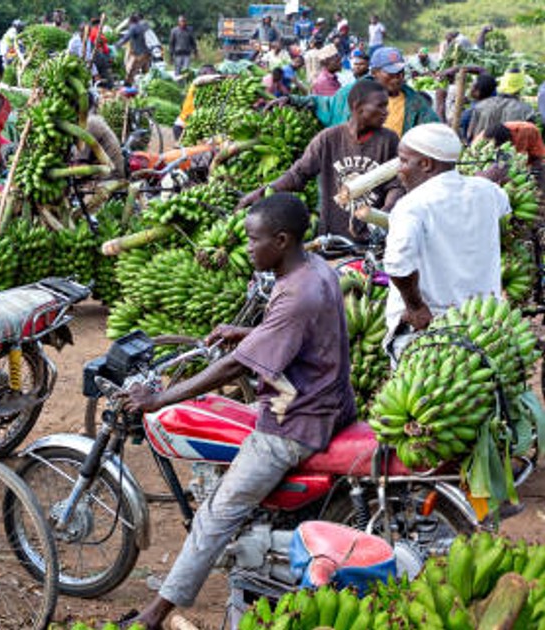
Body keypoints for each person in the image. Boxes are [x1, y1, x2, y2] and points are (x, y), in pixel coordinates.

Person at [117, 192, 357, 630]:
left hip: (295, 421)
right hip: (330, 403)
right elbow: (291, 333)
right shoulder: (315, 270)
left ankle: (155, 615)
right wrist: (246, 331)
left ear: (281, 240)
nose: (247, 248)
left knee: (217, 512)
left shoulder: (295, 294)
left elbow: (235, 365)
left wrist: (160, 399)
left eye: (254, 240)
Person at [381, 123, 507, 360]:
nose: (399, 169)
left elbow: (397, 264)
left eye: (404, 161)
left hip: (433, 328)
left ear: (426, 164)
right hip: (483, 322)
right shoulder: (486, 191)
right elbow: (502, 202)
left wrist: (415, 306)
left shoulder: (412, 206)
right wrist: (483, 180)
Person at [242, 80, 401, 239]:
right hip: (333, 236)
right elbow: (298, 174)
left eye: (386, 106)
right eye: (380, 106)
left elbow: (396, 185)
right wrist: (264, 191)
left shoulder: (389, 140)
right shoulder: (328, 139)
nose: (386, 112)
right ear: (357, 106)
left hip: (373, 237)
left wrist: (386, 211)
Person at [286, 47, 438, 137]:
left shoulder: (414, 102)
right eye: (391, 73)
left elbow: (433, 125)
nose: (397, 78)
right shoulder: (354, 91)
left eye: (400, 72)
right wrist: (291, 100)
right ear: (375, 72)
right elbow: (326, 103)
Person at [466, 69, 536, 141]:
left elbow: (469, 135)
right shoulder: (527, 111)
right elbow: (531, 138)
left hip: (478, 150)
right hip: (512, 151)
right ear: (521, 87)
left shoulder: (480, 106)